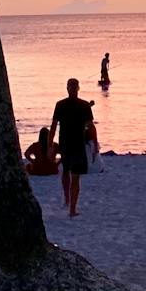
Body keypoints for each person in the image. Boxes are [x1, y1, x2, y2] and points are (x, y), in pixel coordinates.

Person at [50, 78, 94, 216]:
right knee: (74, 176)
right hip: (76, 144)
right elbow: (90, 126)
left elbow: (53, 126)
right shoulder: (84, 105)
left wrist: (50, 145)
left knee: (67, 172)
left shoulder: (61, 105)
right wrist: (94, 143)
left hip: (66, 143)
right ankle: (72, 208)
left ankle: (68, 201)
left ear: (68, 88)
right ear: (78, 88)